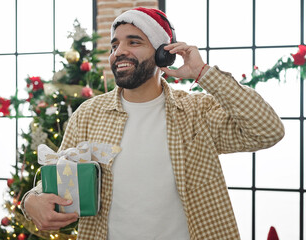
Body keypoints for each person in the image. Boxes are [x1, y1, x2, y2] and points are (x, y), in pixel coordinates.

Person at [21, 7, 285, 240]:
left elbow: (268, 130)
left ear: (163, 56)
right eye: (114, 45)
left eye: (133, 42)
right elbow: (58, 177)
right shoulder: (89, 113)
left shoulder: (197, 112)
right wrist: (31, 201)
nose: (119, 52)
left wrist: (203, 74)